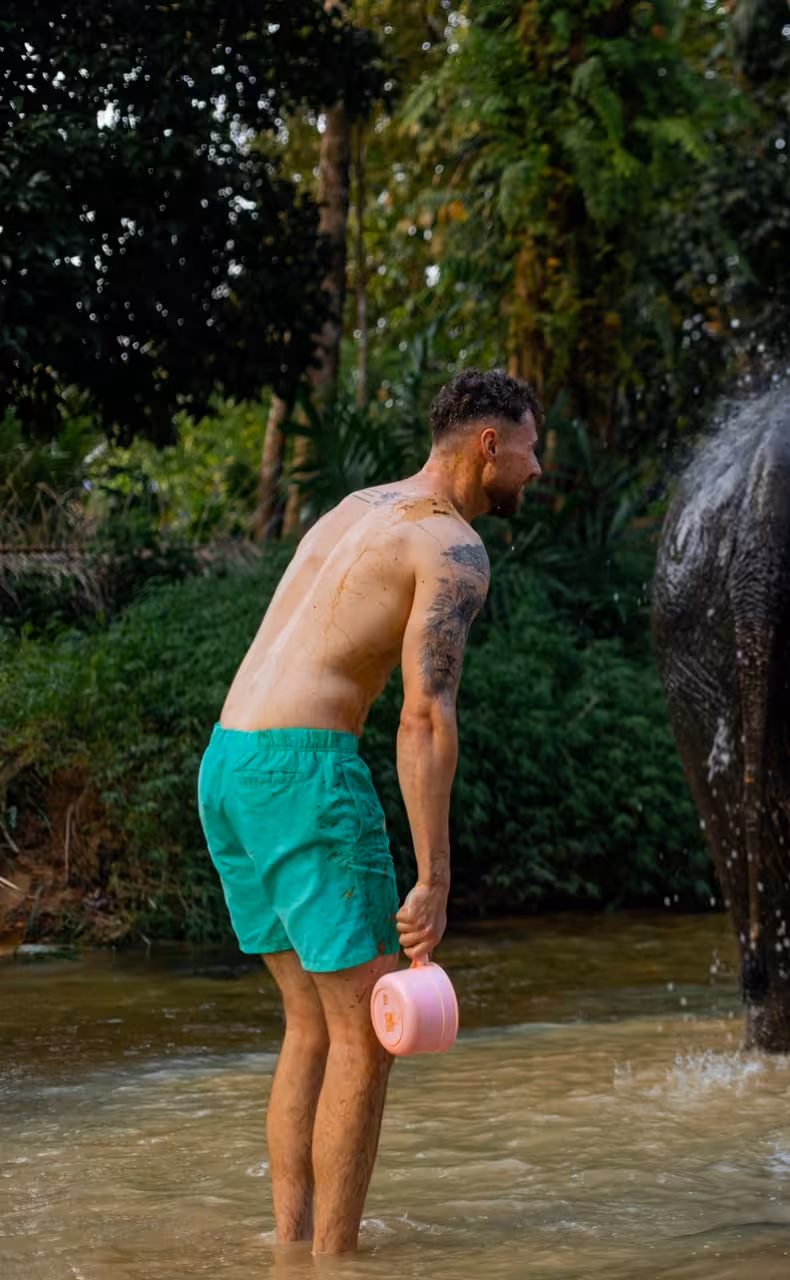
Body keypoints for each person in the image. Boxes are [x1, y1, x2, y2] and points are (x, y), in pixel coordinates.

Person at [197, 370, 542, 1253]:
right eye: (531, 449)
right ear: (489, 445)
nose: (537, 469)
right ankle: (336, 1264)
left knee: (311, 1024)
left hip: (228, 762)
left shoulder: (356, 507)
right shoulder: (453, 548)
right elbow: (424, 718)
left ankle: (293, 1252)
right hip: (304, 772)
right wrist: (435, 877)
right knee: (366, 1035)